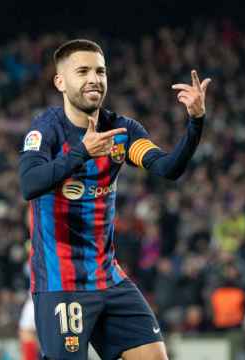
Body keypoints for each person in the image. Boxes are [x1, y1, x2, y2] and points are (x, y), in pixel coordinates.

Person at [18, 39, 211, 360]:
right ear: (60, 82)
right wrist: (82, 152)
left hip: (108, 278)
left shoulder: (122, 131)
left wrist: (196, 121)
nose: (94, 78)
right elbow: (29, 184)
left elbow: (168, 168)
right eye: (83, 71)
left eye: (100, 71)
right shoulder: (46, 130)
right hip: (61, 282)